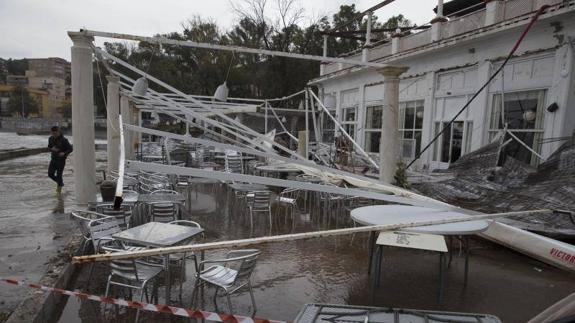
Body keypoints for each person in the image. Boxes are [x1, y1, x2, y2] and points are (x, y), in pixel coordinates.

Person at [48, 126, 73, 194]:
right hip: (53, 159)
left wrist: (64, 153)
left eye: (55, 133)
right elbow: (49, 146)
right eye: (53, 133)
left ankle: (58, 191)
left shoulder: (64, 140)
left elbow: (70, 149)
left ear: (59, 132)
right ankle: (60, 183)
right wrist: (51, 148)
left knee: (59, 175)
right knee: (50, 174)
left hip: (61, 160)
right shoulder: (50, 138)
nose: (54, 135)